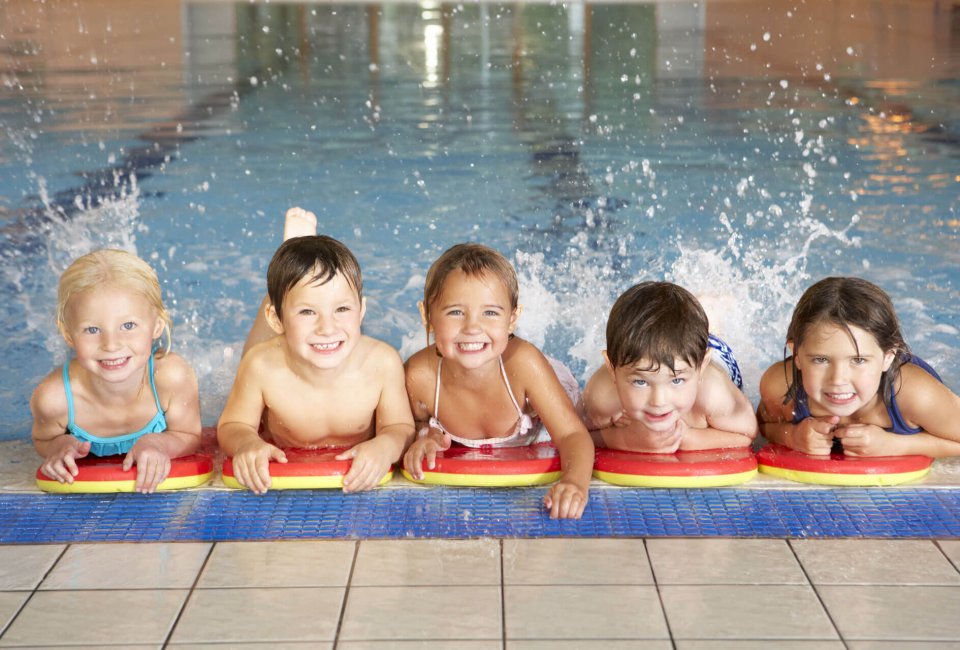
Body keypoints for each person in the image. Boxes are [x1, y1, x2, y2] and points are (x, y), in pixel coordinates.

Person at [218, 207, 415, 494]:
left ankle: (297, 266)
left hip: (298, 338)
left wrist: (386, 446)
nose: (327, 327)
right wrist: (247, 443)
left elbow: (400, 426)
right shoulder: (261, 366)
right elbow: (233, 424)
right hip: (278, 348)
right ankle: (292, 255)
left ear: (361, 312)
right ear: (277, 318)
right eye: (308, 312)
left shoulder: (382, 363)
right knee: (259, 346)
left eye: (343, 309)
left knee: (295, 311)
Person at [403, 243, 594, 519]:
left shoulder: (524, 365)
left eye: (490, 313)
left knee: (598, 410)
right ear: (427, 317)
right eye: (455, 312)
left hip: (539, 388)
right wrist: (425, 435)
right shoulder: (420, 378)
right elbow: (408, 424)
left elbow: (572, 434)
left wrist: (575, 482)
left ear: (512, 319)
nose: (472, 328)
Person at [30, 249, 202, 493]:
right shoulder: (54, 399)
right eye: (92, 330)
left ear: (157, 326)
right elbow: (43, 440)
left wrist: (160, 443)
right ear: (68, 334)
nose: (111, 344)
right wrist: (58, 446)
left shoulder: (172, 378)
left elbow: (189, 434)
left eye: (128, 325)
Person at [759, 276, 960, 457]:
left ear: (888, 357)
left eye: (858, 360)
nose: (838, 380)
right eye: (820, 359)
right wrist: (791, 436)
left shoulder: (915, 394)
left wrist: (897, 445)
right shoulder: (781, 386)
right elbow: (761, 424)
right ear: (797, 355)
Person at [580, 281, 758, 453]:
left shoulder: (713, 394)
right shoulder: (602, 396)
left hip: (712, 356)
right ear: (611, 370)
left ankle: (711, 311)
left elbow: (747, 434)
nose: (659, 401)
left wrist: (688, 438)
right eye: (640, 382)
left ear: (701, 367)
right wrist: (627, 440)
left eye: (677, 380)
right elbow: (573, 432)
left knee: (710, 331)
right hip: (673, 358)